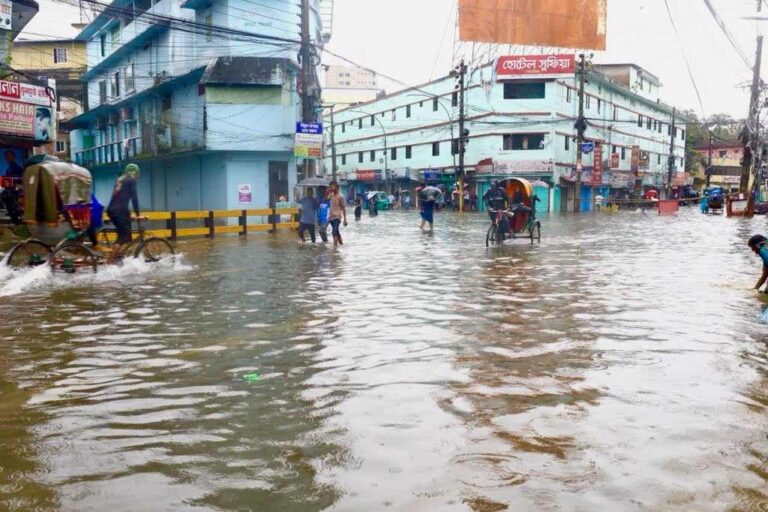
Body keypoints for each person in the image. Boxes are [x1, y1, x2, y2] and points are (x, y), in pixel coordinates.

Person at [106, 163, 142, 263]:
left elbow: (119, 198)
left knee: (126, 230)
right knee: (123, 234)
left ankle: (118, 254)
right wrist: (138, 214)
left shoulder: (120, 179)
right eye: (137, 173)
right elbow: (134, 198)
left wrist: (129, 214)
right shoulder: (131, 180)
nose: (138, 176)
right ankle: (109, 262)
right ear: (134, 172)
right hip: (119, 211)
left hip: (113, 210)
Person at [328, 180, 347, 246]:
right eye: (329, 187)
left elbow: (344, 208)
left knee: (334, 231)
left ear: (336, 187)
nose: (330, 188)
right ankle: (341, 244)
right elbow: (326, 201)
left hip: (337, 217)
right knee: (336, 231)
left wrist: (345, 219)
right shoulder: (331, 195)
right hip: (331, 217)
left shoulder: (341, 196)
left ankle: (335, 249)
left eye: (331, 187)